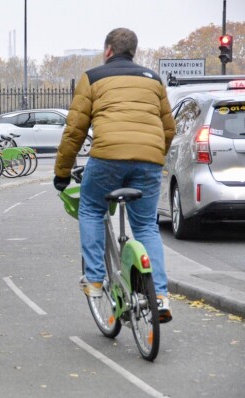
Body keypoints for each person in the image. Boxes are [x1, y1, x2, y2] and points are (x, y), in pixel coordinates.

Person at [53, 27, 176, 323]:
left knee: (92, 209)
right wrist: (153, 154)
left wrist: (62, 172)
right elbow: (168, 128)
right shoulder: (153, 80)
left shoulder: (93, 77)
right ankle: (160, 296)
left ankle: (95, 280)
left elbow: (75, 131)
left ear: (108, 50)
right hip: (148, 161)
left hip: (107, 158)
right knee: (146, 225)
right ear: (133, 50)